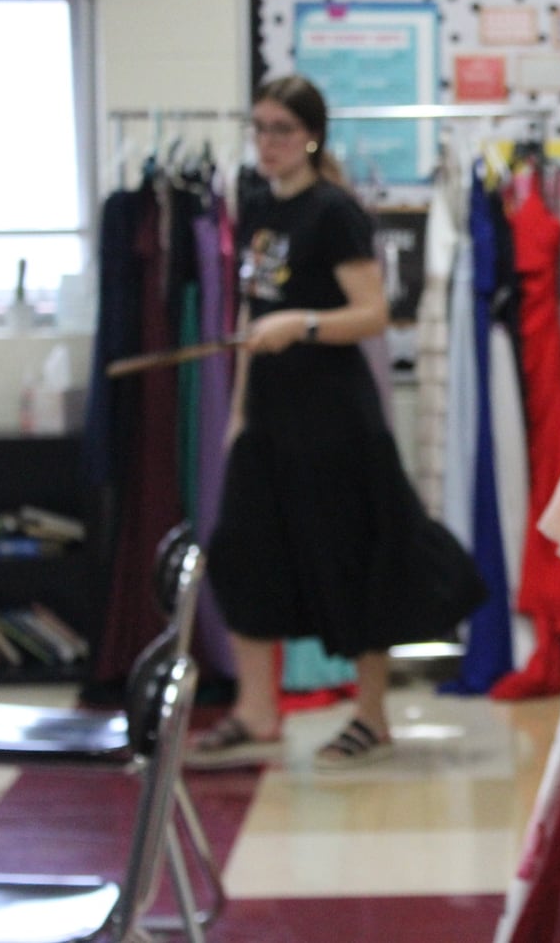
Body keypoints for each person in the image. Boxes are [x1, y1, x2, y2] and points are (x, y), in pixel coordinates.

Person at [187, 74, 405, 771]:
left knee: (351, 557)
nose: (268, 142)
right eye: (259, 128)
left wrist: (303, 323)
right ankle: (257, 710)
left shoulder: (333, 211)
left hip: (333, 416)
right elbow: (254, 320)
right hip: (270, 416)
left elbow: (372, 313)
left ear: (311, 134)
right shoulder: (257, 205)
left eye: (282, 129)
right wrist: (241, 413)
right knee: (242, 553)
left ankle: (371, 714)